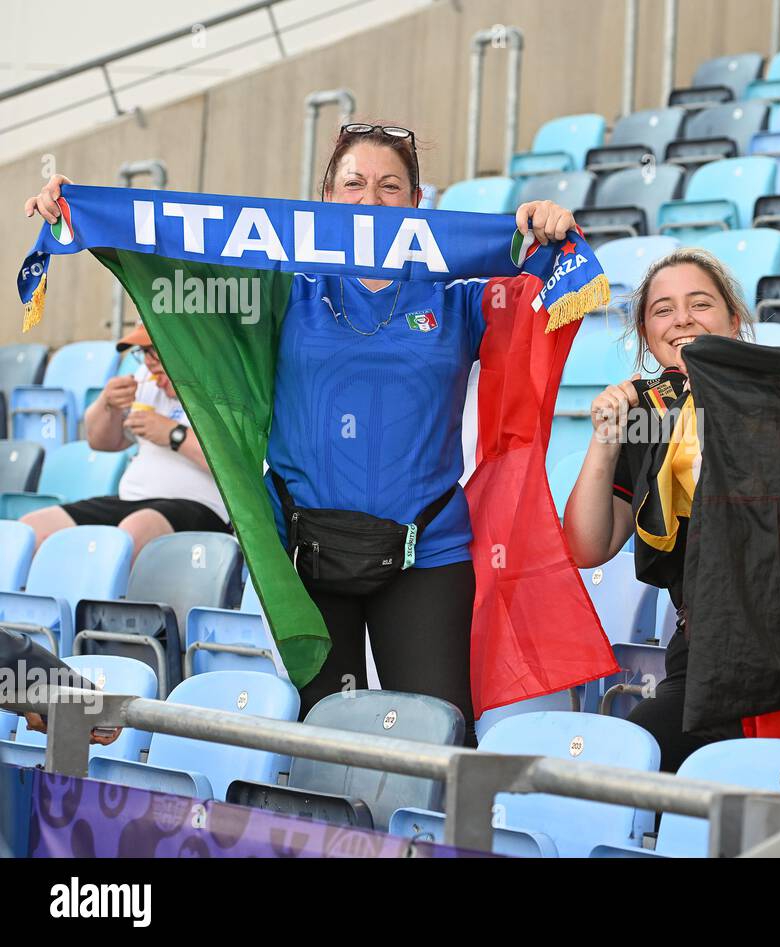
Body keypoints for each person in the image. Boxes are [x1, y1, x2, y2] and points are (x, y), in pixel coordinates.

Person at [25, 123, 578, 730]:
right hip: (307, 554)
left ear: (418, 205)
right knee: (323, 738)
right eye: (354, 184)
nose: (371, 200)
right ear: (325, 200)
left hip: (429, 554)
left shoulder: (458, 298)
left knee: (437, 741)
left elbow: (549, 298)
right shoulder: (283, 290)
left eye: (391, 187)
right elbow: (178, 253)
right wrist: (89, 212)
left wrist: (549, 231)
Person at [563, 247, 756, 771]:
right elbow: (588, 547)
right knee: (625, 765)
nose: (683, 320)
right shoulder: (646, 415)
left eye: (700, 304)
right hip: (703, 657)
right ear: (648, 335)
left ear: (734, 320)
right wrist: (605, 436)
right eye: (663, 310)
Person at [19, 324, 229, 562]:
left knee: (130, 534)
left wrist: (174, 435)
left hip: (202, 506)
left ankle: (96, 598)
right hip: (132, 500)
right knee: (31, 529)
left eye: (155, 352)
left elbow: (234, 466)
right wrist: (107, 405)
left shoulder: (224, 385)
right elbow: (103, 443)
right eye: (144, 352)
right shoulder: (146, 377)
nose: (150, 364)